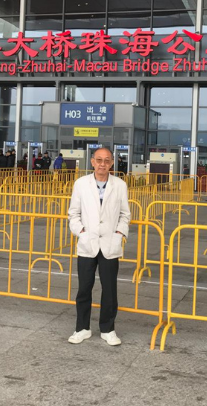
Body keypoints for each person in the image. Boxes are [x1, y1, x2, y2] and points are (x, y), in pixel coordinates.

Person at [68, 148, 131, 346]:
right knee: (84, 288)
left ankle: (108, 329)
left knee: (110, 289)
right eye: (99, 160)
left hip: (109, 244)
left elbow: (125, 214)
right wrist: (82, 232)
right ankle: (82, 328)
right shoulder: (81, 184)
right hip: (88, 243)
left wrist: (119, 234)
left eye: (106, 160)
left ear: (112, 163)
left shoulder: (119, 185)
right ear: (92, 162)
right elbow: (73, 214)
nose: (102, 164)